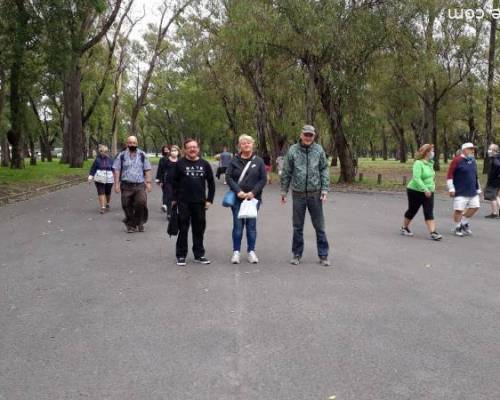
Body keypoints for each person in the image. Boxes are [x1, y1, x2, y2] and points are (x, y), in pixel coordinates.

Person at [280, 124, 331, 266]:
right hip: (298, 194)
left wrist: (325, 189)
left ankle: (323, 255)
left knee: (319, 226)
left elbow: (324, 169)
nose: (308, 137)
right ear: (301, 135)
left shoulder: (319, 150)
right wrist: (284, 191)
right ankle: (296, 254)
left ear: (314, 136)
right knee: (297, 226)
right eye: (306, 135)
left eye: (311, 135)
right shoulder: (293, 150)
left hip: (315, 194)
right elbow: (286, 171)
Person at [172, 139, 215, 266]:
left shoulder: (205, 164)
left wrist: (209, 200)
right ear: (185, 149)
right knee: (183, 229)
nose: (192, 149)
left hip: (200, 202)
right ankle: (181, 255)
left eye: (194, 147)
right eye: (189, 147)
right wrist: (174, 200)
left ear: (198, 149)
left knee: (199, 229)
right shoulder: (179, 164)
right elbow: (173, 183)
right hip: (183, 202)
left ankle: (199, 254)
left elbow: (211, 183)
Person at [226, 134, 267, 264]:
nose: (246, 145)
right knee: (238, 226)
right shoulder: (234, 160)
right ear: (239, 146)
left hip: (253, 199)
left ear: (253, 144)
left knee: (251, 226)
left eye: (248, 142)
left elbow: (263, 179)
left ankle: (251, 252)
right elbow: (228, 177)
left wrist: (253, 193)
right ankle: (236, 252)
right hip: (238, 199)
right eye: (243, 143)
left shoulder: (258, 161)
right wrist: (238, 191)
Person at [400, 144, 442, 240]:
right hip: (415, 190)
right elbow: (416, 178)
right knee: (412, 210)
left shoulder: (430, 163)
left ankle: (433, 233)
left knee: (429, 211)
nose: (433, 153)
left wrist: (431, 187)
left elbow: (431, 178)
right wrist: (425, 189)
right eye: (432, 151)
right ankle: (404, 227)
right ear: (427, 152)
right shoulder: (418, 163)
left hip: (429, 192)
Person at [113, 136, 152, 233]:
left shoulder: (142, 155)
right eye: (130, 143)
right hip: (126, 185)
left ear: (137, 144)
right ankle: (131, 225)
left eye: (134, 143)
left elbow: (147, 169)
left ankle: (139, 222)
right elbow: (117, 170)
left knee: (141, 202)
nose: (132, 145)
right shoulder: (121, 155)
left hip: (139, 185)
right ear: (127, 144)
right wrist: (116, 184)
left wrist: (148, 183)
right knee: (126, 205)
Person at [446, 142, 481, 236]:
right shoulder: (457, 160)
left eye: (473, 149)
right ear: (464, 150)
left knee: (475, 207)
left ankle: (464, 222)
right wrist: (451, 189)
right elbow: (449, 175)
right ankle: (457, 226)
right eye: (471, 149)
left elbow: (475, 175)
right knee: (459, 210)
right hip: (460, 190)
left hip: (472, 190)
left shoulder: (473, 160)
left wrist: (478, 188)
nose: (473, 151)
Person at [88, 144, 114, 214]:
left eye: (106, 151)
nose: (104, 153)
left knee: (108, 192)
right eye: (102, 151)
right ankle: (103, 207)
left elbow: (114, 169)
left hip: (109, 179)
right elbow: (93, 169)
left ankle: (107, 203)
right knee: (101, 192)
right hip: (99, 178)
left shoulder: (111, 159)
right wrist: (90, 177)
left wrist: (117, 179)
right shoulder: (97, 160)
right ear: (100, 152)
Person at [156, 144, 179, 218]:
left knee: (177, 198)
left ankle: (175, 211)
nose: (173, 152)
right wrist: (160, 180)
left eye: (175, 151)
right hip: (168, 182)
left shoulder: (181, 161)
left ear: (178, 152)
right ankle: (169, 213)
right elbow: (161, 170)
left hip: (178, 183)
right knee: (169, 197)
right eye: (172, 151)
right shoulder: (166, 160)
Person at [484, 143, 500, 218]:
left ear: (495, 151)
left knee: (492, 196)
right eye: (489, 149)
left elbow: (498, 166)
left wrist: (496, 175)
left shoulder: (494, 159)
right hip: (497, 181)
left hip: (493, 181)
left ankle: (494, 213)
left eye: (490, 149)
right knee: (496, 196)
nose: (489, 151)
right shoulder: (497, 157)